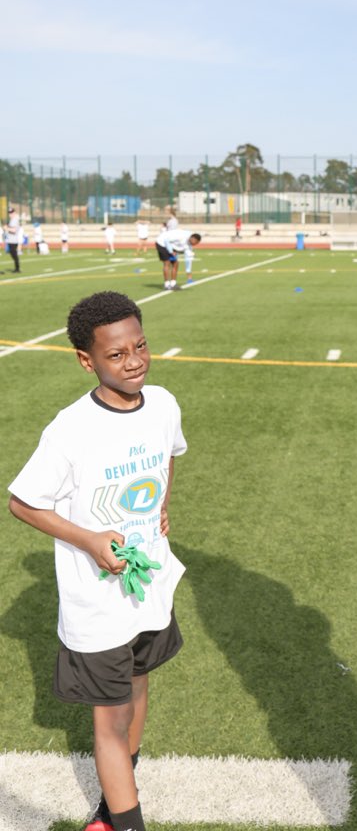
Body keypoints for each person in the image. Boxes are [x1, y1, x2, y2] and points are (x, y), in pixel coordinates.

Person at [7, 291, 187, 831]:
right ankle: (125, 820)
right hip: (98, 605)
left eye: (140, 346)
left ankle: (113, 802)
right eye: (116, 355)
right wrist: (88, 540)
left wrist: (161, 507)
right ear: (87, 361)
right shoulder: (71, 429)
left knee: (137, 684)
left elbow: (169, 457)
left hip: (148, 588)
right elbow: (22, 502)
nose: (133, 360)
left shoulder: (164, 403)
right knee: (108, 721)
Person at [5, 206, 21, 272]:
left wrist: (7, 228)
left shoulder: (15, 220)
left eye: (11, 212)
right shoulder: (12, 220)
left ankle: (17, 269)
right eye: (9, 213)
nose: (10, 214)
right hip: (10, 240)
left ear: (14, 212)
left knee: (14, 254)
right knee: (12, 254)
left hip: (13, 240)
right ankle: (17, 268)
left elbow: (14, 230)